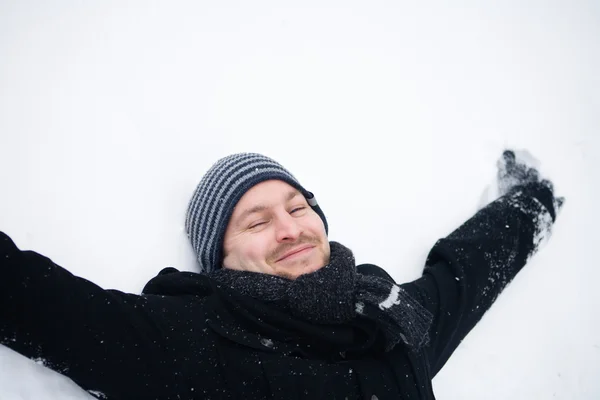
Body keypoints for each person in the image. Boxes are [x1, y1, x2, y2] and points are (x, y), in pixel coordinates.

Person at [0, 150, 564, 400]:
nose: (290, 229)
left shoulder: (392, 319)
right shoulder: (182, 342)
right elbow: (35, 300)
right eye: (256, 221)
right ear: (220, 257)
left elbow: (466, 271)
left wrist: (533, 200)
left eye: (297, 208)